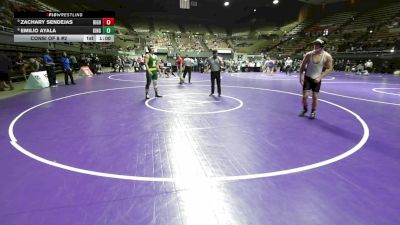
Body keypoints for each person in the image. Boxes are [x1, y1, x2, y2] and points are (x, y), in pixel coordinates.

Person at [299, 37, 333, 119]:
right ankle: (305, 109)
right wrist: (300, 77)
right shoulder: (308, 54)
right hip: (307, 77)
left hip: (317, 79)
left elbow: (329, 68)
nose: (315, 45)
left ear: (322, 46)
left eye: (318, 44)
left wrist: (320, 77)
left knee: (315, 97)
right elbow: (302, 66)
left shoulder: (327, 56)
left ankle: (313, 111)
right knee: (305, 97)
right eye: (315, 44)